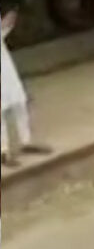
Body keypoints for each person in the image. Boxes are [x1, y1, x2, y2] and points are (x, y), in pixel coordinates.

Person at [0, 11, 51, 167]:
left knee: (20, 103)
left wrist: (7, 25)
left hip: (5, 65)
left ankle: (26, 141)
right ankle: (3, 151)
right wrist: (4, 26)